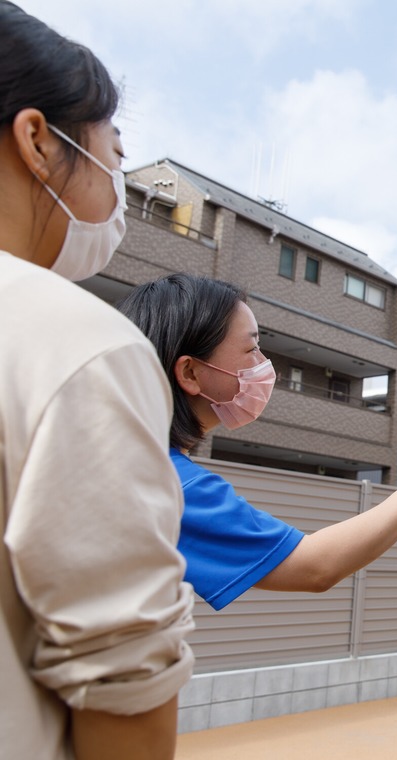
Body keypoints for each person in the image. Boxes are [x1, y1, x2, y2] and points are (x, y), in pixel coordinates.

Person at [0, 4, 195, 758]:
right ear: (38, 141)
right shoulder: (78, 343)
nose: (119, 176)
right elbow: (124, 673)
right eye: (112, 149)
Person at [117, 273, 397, 609]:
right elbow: (314, 566)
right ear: (191, 373)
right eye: (252, 348)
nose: (265, 365)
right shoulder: (167, 483)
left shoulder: (113, 460)